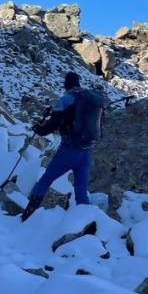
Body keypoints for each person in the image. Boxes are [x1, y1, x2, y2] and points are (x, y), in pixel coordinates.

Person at [21, 71, 107, 221]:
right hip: (86, 152)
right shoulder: (88, 99)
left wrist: (38, 129)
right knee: (81, 192)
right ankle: (85, 225)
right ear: (78, 83)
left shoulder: (66, 99)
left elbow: (51, 126)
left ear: (65, 84)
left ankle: (27, 216)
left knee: (45, 181)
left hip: (69, 151)